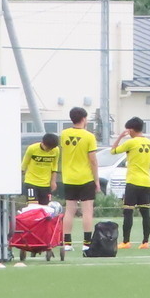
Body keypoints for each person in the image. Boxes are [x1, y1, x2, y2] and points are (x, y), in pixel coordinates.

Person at [55, 108, 100, 252]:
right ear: (84, 119)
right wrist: (97, 181)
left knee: (69, 210)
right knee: (87, 211)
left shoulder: (64, 134)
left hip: (69, 178)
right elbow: (93, 160)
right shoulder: (89, 136)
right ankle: (87, 243)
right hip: (85, 178)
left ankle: (67, 243)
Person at [112, 118, 150, 248]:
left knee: (128, 212)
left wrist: (121, 137)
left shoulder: (131, 143)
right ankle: (145, 242)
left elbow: (113, 150)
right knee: (145, 213)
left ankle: (126, 241)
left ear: (131, 130)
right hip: (146, 182)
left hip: (133, 182)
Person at [20, 132, 61, 206]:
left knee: (44, 208)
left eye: (51, 148)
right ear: (43, 143)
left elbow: (54, 166)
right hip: (31, 182)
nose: (49, 150)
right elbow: (24, 165)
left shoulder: (56, 150)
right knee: (33, 207)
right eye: (48, 148)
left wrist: (53, 181)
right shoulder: (32, 148)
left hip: (45, 184)